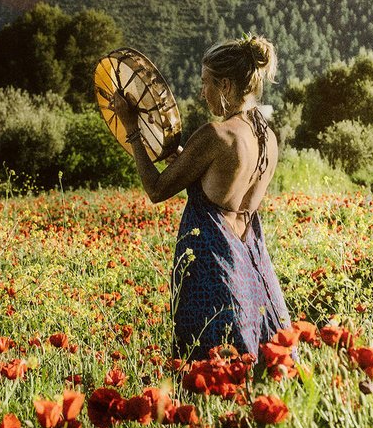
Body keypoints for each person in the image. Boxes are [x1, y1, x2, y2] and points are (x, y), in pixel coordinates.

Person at [111, 36, 292, 360]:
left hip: (212, 271)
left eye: (205, 82)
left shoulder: (216, 134)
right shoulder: (268, 137)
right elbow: (224, 184)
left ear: (225, 85)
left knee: (210, 370)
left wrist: (133, 130)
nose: (201, 91)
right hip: (253, 270)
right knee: (255, 367)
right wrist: (187, 160)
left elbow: (156, 189)